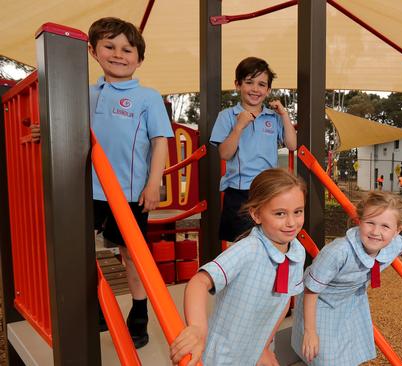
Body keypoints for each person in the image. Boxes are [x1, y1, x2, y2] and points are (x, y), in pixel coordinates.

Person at [87, 17, 173, 348]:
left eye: (127, 49)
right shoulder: (87, 93)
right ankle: (95, 304)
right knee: (78, 250)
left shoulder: (147, 97)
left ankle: (139, 312)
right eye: (110, 46)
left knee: (132, 253)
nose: (119, 54)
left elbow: (159, 142)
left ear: (139, 58)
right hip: (89, 189)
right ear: (94, 51)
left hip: (130, 192)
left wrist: (154, 184)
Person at [170, 168, 306, 366]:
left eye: (298, 212)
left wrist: (265, 345)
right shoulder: (249, 250)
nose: (291, 222)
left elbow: (284, 298)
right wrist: (198, 328)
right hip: (224, 355)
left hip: (257, 347)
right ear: (257, 215)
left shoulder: (297, 252)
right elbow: (199, 282)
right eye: (280, 213)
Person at [291, 191, 402, 366]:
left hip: (351, 300)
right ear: (359, 221)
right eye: (370, 223)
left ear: (397, 231)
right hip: (321, 302)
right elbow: (311, 290)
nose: (376, 231)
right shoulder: (338, 252)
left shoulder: (393, 243)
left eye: (385, 226)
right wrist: (309, 331)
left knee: (348, 350)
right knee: (323, 355)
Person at [210, 57, 297, 243]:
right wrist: (239, 126)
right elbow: (225, 154)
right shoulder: (227, 116)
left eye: (261, 84)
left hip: (267, 190)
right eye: (249, 82)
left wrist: (284, 115)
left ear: (268, 90)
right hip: (239, 191)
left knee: (268, 240)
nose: (255, 89)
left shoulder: (273, 118)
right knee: (240, 243)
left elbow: (292, 145)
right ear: (238, 85)